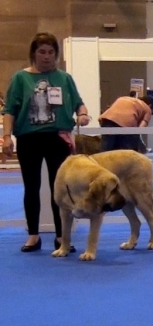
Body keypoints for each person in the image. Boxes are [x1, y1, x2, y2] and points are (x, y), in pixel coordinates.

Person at [1, 32, 90, 252]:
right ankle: (33, 235)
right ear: (33, 53)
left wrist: (83, 114)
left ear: (56, 55)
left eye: (51, 52)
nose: (47, 57)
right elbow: (9, 110)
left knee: (59, 189)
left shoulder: (65, 78)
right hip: (28, 138)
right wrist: (6, 137)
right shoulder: (20, 78)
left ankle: (62, 237)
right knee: (31, 187)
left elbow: (79, 103)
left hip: (57, 138)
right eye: (42, 52)